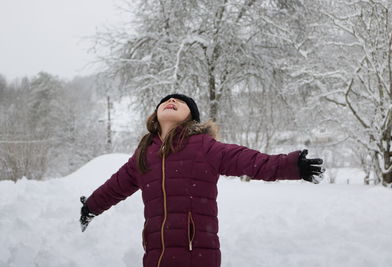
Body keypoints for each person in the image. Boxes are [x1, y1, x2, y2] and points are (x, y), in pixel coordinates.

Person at [80, 93, 324, 267]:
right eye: (166, 100)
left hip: (196, 253)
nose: (171, 101)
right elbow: (116, 186)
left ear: (191, 118)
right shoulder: (144, 154)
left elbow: (247, 160)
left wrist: (290, 165)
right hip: (156, 255)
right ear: (156, 115)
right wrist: (91, 206)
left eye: (181, 102)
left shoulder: (203, 147)